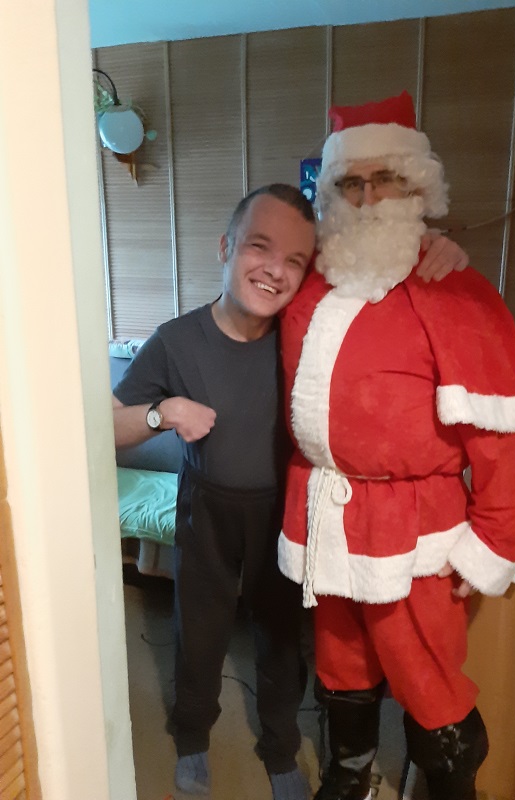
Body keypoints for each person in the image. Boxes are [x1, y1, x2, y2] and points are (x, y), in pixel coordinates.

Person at [111, 182, 469, 800]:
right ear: (226, 247)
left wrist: (430, 249)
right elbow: (109, 425)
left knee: (282, 641)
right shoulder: (175, 340)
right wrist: (161, 412)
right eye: (259, 246)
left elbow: (379, 285)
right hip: (206, 510)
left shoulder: (306, 333)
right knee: (199, 633)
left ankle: (279, 747)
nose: (275, 269)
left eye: (296, 260)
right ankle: (192, 736)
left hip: (286, 514)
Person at [277, 92, 515, 800]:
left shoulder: (454, 290)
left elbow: (500, 439)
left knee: (427, 674)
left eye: (385, 179)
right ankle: (350, 772)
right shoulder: (310, 286)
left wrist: (493, 543)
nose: (368, 198)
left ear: (417, 186)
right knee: (340, 662)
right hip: (325, 515)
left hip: (415, 529)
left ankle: (451, 783)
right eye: (350, 184)